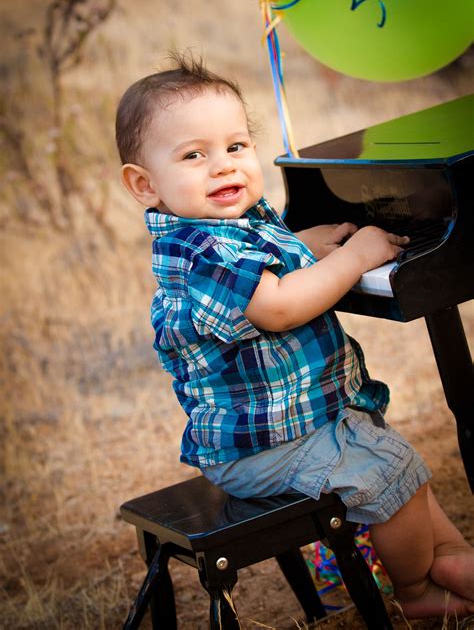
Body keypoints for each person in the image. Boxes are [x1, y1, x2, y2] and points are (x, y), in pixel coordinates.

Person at [116, 54, 474, 619]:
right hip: (262, 448)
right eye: (194, 155)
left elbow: (266, 263)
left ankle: (451, 555)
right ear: (144, 184)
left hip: (295, 427)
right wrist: (356, 256)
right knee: (383, 471)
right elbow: (278, 307)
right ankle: (416, 592)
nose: (223, 167)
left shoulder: (229, 226)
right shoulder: (201, 249)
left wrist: (304, 245)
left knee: (395, 457)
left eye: (236, 146)